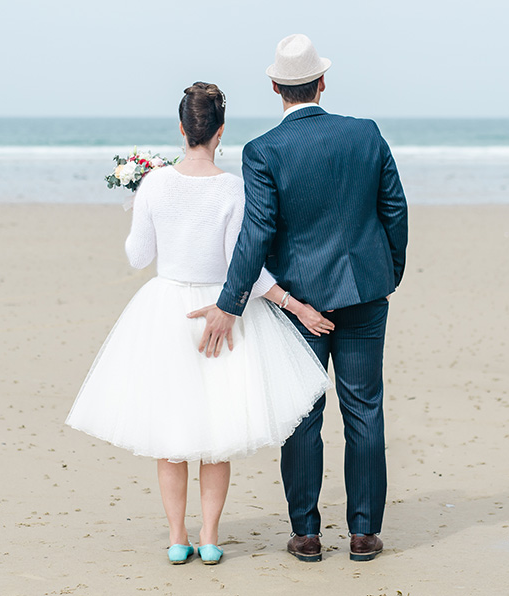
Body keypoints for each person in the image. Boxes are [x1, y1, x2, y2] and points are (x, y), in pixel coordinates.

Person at [65, 82, 332, 566]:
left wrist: (135, 210)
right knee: (216, 431)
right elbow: (244, 266)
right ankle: (209, 537)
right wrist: (293, 305)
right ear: (220, 132)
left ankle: (176, 537)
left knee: (171, 435)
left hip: (166, 310)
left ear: (182, 129)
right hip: (221, 312)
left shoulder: (154, 184)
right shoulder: (232, 186)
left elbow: (138, 256)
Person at [191, 35, 408, 562]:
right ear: (322, 81)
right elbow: (394, 210)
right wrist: (388, 274)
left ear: (275, 87)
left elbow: (256, 235)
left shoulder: (265, 150)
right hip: (364, 294)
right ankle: (363, 533)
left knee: (302, 415)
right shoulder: (365, 134)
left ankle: (307, 534)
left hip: (297, 303)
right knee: (364, 412)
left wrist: (230, 302)